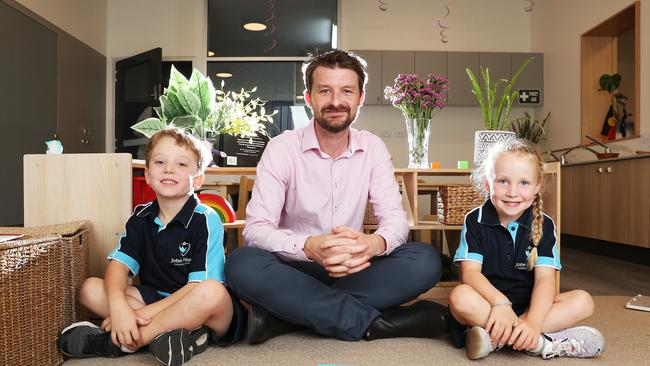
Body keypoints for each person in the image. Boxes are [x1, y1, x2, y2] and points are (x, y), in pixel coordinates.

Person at [225, 50, 449, 344]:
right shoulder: (282, 148)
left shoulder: (373, 148)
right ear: (309, 98)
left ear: (360, 98)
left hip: (355, 267)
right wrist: (308, 246)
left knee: (426, 260)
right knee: (241, 264)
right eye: (325, 91)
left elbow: (394, 220)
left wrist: (373, 244)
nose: (335, 102)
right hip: (293, 268)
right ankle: (376, 324)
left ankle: (282, 317)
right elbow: (256, 229)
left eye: (346, 91)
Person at [57, 128, 245, 366]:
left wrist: (135, 315)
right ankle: (179, 336)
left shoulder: (206, 219)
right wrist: (118, 306)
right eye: (160, 162)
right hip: (154, 297)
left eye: (181, 164)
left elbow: (197, 286)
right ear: (147, 174)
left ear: (198, 179)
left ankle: (123, 342)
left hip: (203, 308)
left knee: (211, 291)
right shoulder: (141, 217)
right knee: (90, 289)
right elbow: (118, 267)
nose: (169, 169)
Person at [448, 139, 605, 360]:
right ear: (487, 183)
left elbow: (545, 280)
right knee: (459, 297)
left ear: (537, 186)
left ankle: (501, 337)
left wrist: (533, 321)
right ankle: (541, 343)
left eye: (523, 183)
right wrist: (500, 303)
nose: (513, 192)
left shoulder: (546, 225)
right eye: (503, 181)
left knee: (583, 301)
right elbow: (470, 274)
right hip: (489, 304)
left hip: (532, 307)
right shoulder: (475, 220)